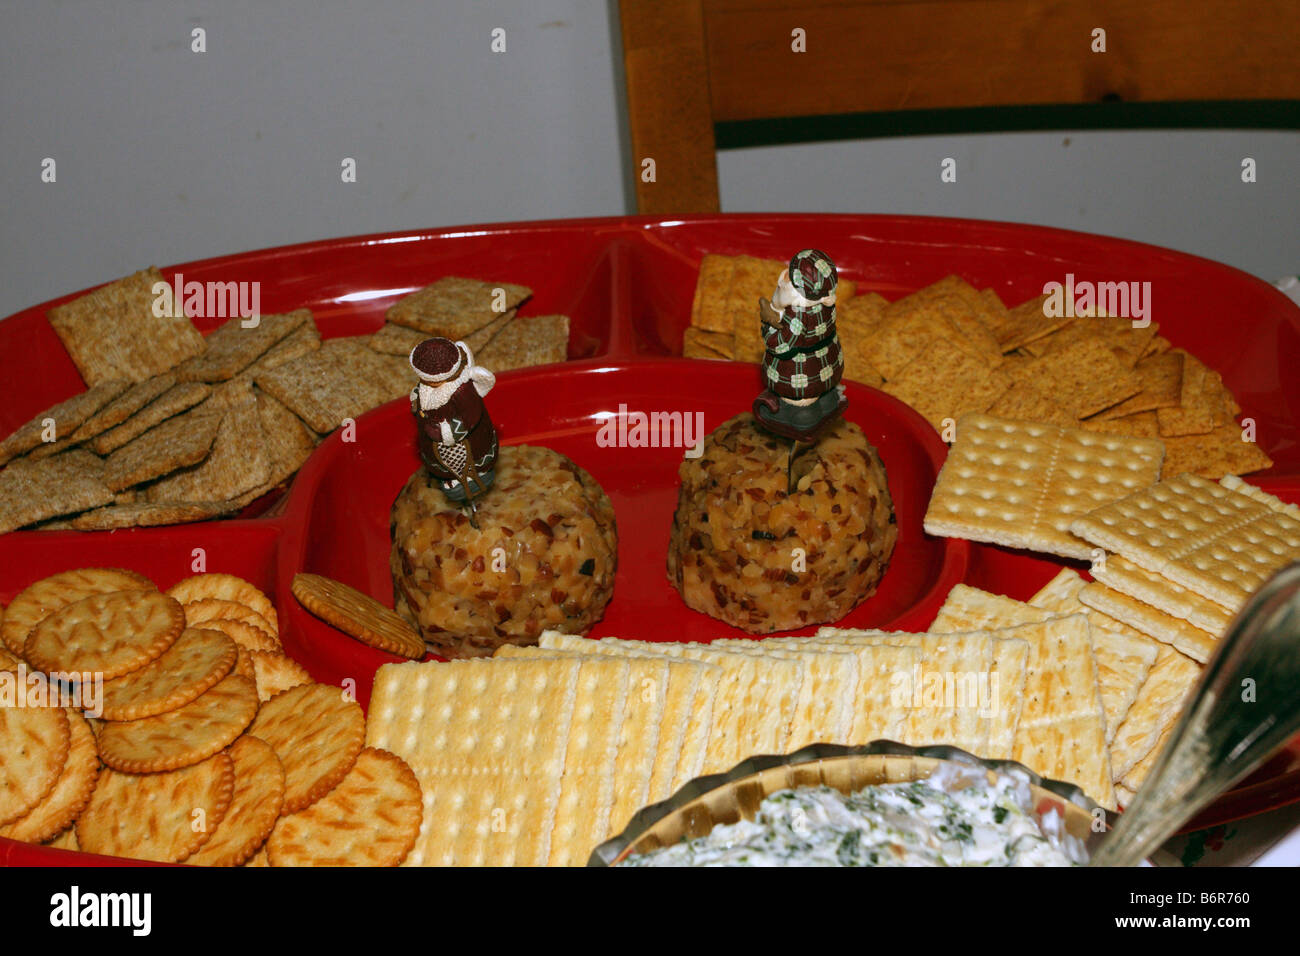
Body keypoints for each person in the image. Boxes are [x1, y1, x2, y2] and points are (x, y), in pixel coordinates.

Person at [752, 248, 848, 442]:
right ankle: (827, 401)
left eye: (790, 276)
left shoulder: (797, 316)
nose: (784, 276)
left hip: (800, 378)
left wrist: (767, 325)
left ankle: (801, 414)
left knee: (800, 403)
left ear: (798, 291)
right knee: (824, 392)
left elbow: (780, 346)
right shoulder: (826, 306)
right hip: (827, 367)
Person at [409, 337, 498, 504]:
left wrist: (445, 431)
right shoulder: (424, 389)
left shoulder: (462, 391)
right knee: (444, 467)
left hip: (468, 445)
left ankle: (475, 476)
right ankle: (452, 478)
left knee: (472, 460)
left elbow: (471, 416)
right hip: (437, 449)